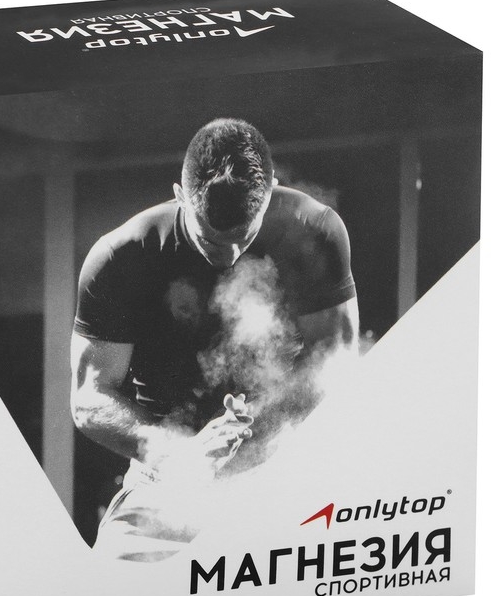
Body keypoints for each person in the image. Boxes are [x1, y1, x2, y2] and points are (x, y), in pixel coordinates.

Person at [70, 118, 359, 561]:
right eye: (210, 240)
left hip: (280, 466)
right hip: (166, 476)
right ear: (179, 194)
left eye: (243, 239)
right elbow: (89, 398)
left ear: (270, 193)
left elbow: (334, 366)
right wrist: (175, 451)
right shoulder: (121, 256)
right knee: (111, 588)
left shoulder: (313, 230)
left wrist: (249, 433)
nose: (228, 258)